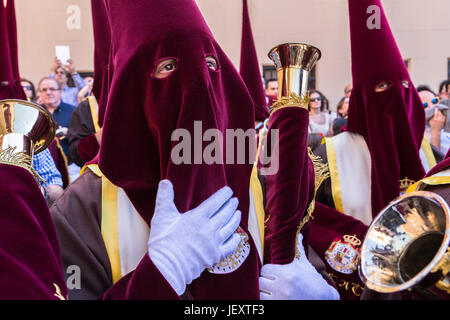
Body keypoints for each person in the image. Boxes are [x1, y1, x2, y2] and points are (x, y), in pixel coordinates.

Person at [50, 0, 338, 300]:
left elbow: (308, 260)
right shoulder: (85, 204)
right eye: (168, 66)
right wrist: (162, 274)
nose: (198, 82)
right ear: (131, 91)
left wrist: (322, 296)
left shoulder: (265, 176)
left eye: (210, 64)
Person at [307, 0, 438, 300]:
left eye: (404, 86)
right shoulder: (327, 157)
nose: (394, 96)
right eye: (382, 87)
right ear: (363, 98)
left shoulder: (428, 153)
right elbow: (306, 221)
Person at [37, 77, 76, 162]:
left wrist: (68, 132)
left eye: (52, 89)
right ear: (39, 93)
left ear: (60, 91)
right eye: (44, 90)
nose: (48, 92)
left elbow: (82, 136)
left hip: (69, 164)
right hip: (41, 165)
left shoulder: (74, 111)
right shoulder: (34, 113)